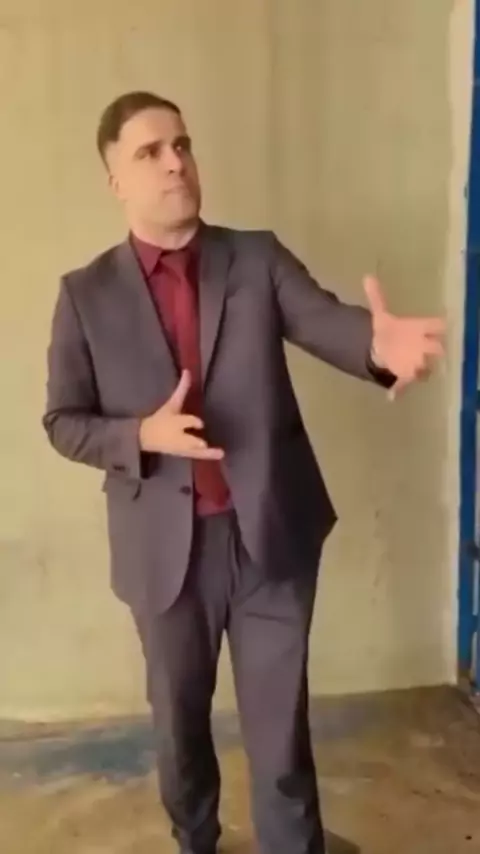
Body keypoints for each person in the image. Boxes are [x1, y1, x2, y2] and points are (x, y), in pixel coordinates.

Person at [42, 91, 445, 854]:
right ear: (115, 180)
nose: (175, 162)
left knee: (280, 735)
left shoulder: (255, 258)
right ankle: (195, 839)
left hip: (269, 538)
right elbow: (63, 421)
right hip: (164, 554)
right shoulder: (85, 295)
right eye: (150, 152)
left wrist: (376, 346)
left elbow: (325, 320)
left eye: (183, 144)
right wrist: (141, 435)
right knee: (180, 732)